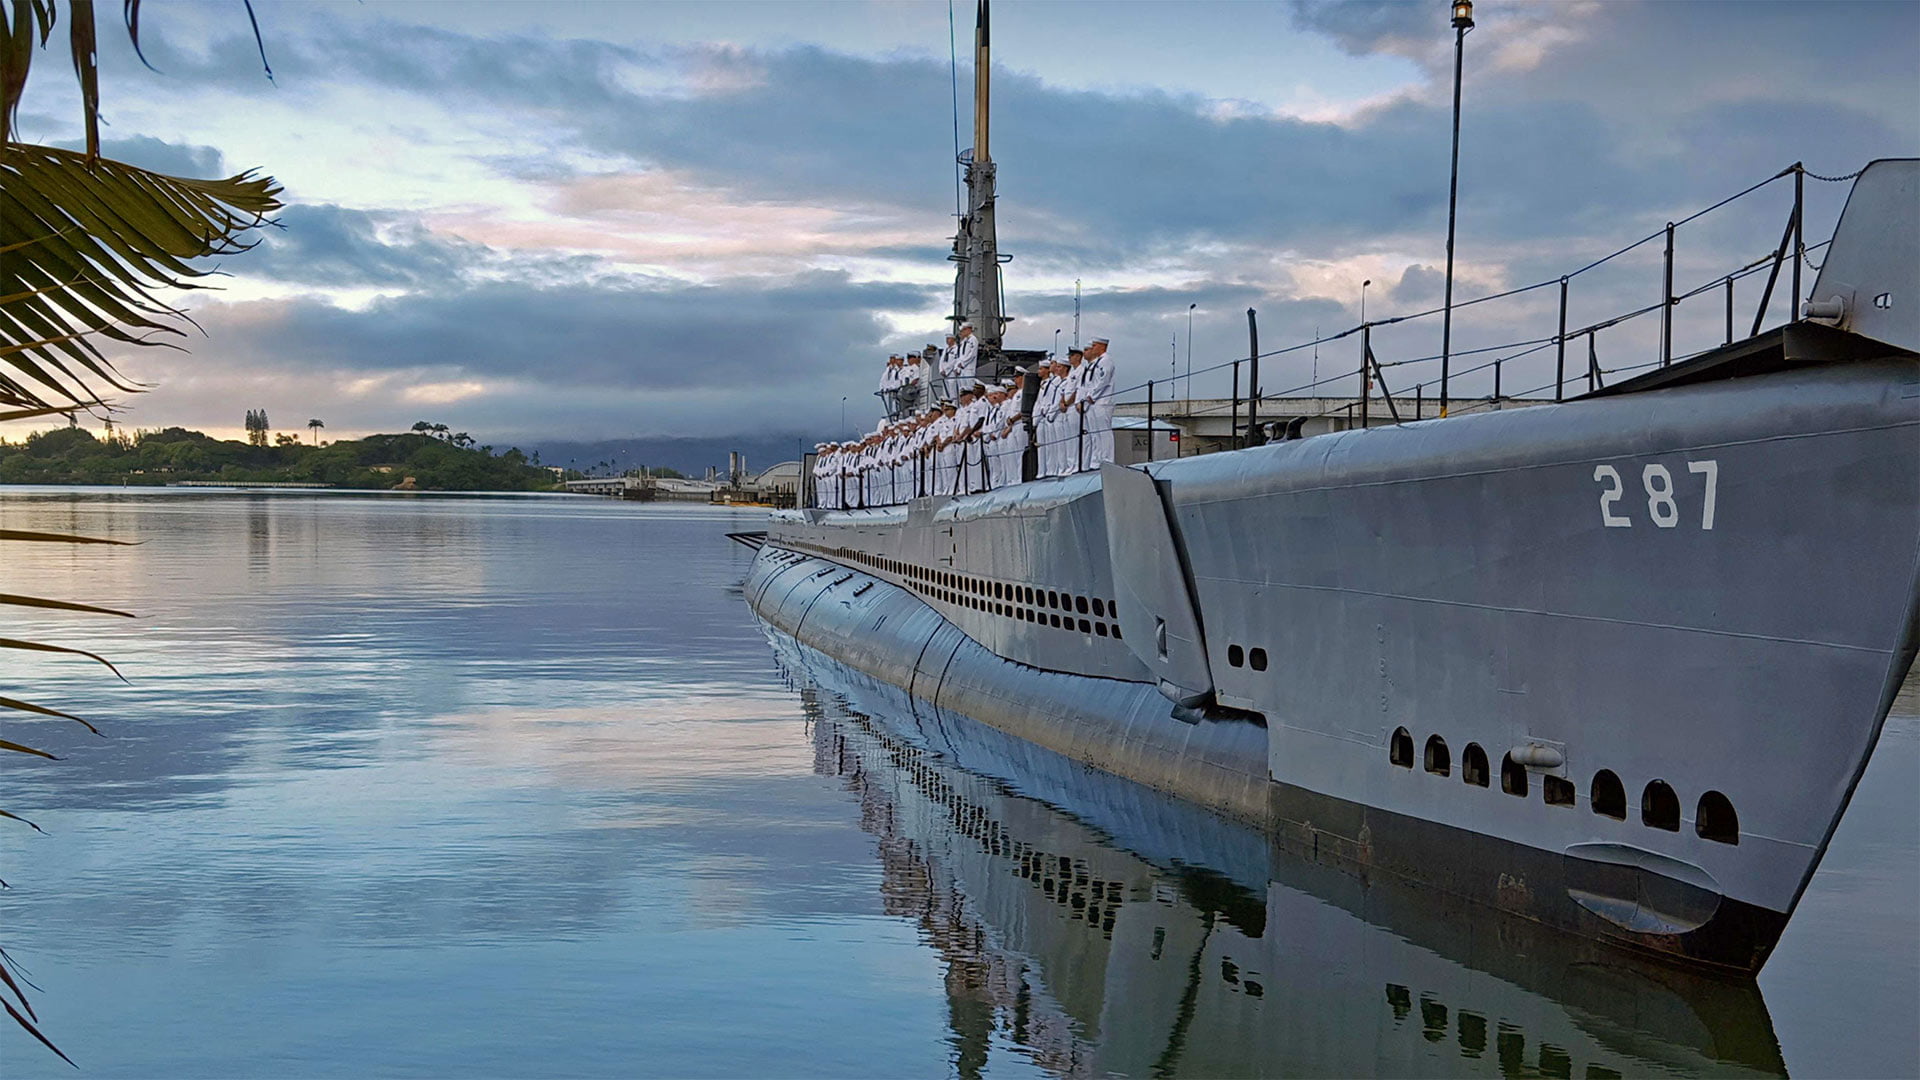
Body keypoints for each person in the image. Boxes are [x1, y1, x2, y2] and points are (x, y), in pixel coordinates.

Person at [1079, 338, 1116, 469]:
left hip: (1102, 401)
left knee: (1103, 432)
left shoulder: (1106, 361)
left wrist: (1091, 396)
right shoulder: (1097, 362)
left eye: (1094, 346)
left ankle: (1107, 459)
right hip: (1093, 403)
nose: (1092, 348)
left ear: (1102, 347)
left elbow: (1103, 380)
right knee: (1095, 433)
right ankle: (1097, 459)